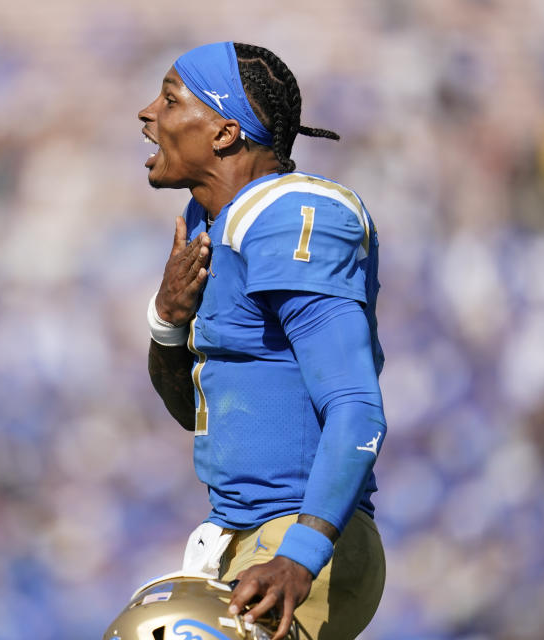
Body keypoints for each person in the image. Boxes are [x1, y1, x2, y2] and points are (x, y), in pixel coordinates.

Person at [139, 42, 387, 640]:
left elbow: (356, 405)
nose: (147, 114)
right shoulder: (209, 225)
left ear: (224, 134)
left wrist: (300, 553)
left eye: (171, 100)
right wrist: (168, 321)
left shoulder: (291, 213)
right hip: (239, 538)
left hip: (303, 537)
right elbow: (197, 414)